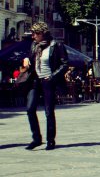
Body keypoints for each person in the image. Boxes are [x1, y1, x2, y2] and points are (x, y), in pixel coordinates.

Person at [23, 22, 68, 151]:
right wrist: (26, 59)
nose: (33, 36)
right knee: (30, 109)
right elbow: (31, 59)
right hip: (35, 80)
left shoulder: (56, 45)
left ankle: (50, 141)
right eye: (32, 34)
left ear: (43, 33)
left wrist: (53, 76)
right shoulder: (34, 45)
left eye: (36, 33)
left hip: (48, 80)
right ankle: (36, 138)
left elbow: (65, 64)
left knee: (48, 112)